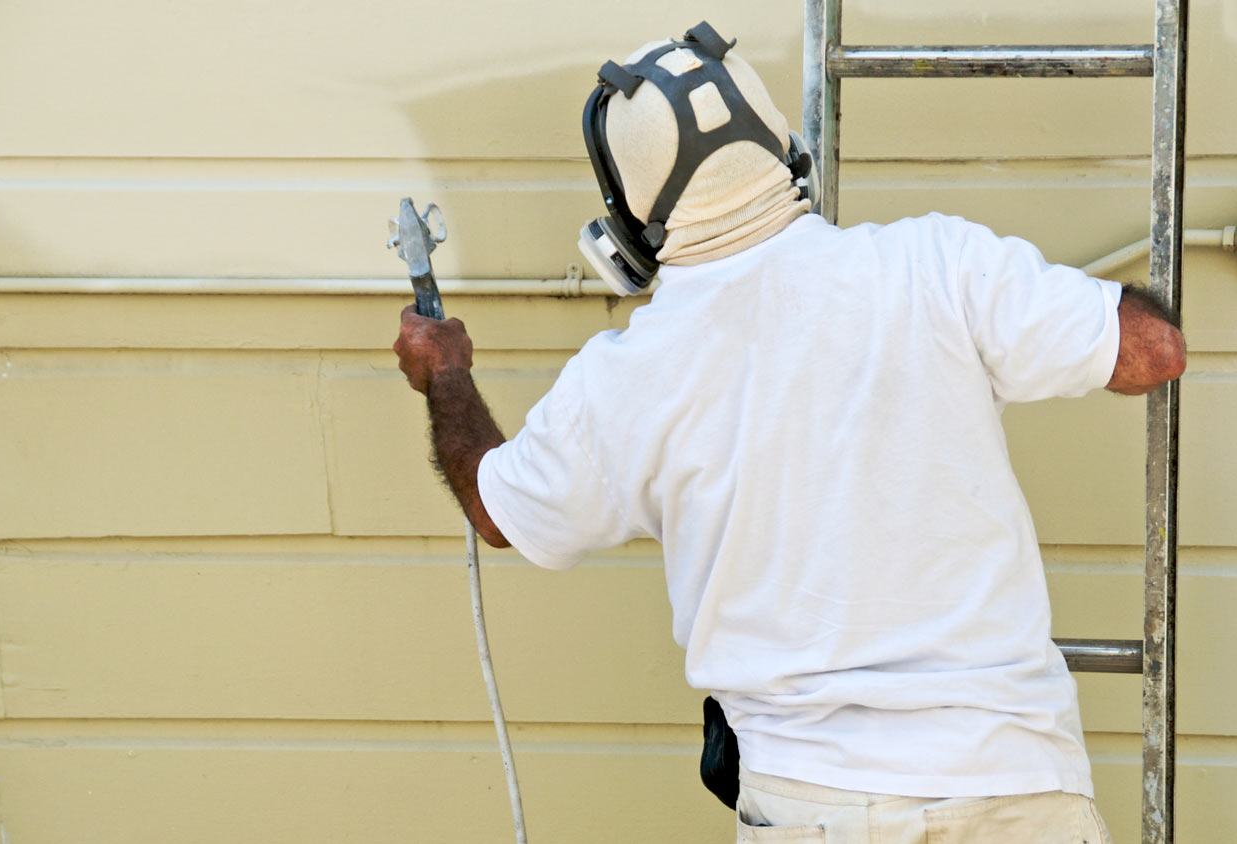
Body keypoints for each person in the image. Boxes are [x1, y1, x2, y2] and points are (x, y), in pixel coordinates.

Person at [394, 23, 1184, 844]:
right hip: (1017, 786)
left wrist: (444, 373)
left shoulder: (624, 380)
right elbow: (1152, 353)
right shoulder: (940, 265)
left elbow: (500, 509)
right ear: (788, 152)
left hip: (816, 805)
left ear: (628, 231)